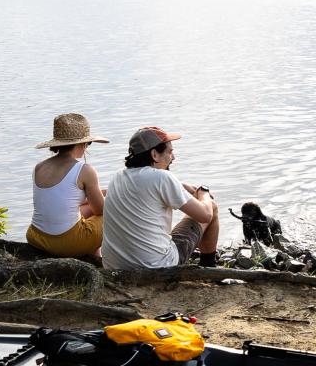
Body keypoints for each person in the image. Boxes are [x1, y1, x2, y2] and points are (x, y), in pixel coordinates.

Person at [100, 125, 220, 271]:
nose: (173, 157)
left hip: (114, 267)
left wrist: (180, 185)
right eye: (170, 152)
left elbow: (144, 184)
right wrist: (204, 192)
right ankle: (209, 267)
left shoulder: (118, 176)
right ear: (154, 154)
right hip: (158, 266)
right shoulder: (162, 178)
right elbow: (205, 215)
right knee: (211, 206)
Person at [24, 113, 108, 258]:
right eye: (89, 143)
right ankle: (96, 257)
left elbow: (62, 199)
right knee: (112, 214)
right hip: (67, 243)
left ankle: (94, 255)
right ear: (82, 143)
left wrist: (102, 193)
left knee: (84, 209)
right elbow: (100, 209)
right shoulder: (85, 170)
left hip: (36, 236)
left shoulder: (39, 167)